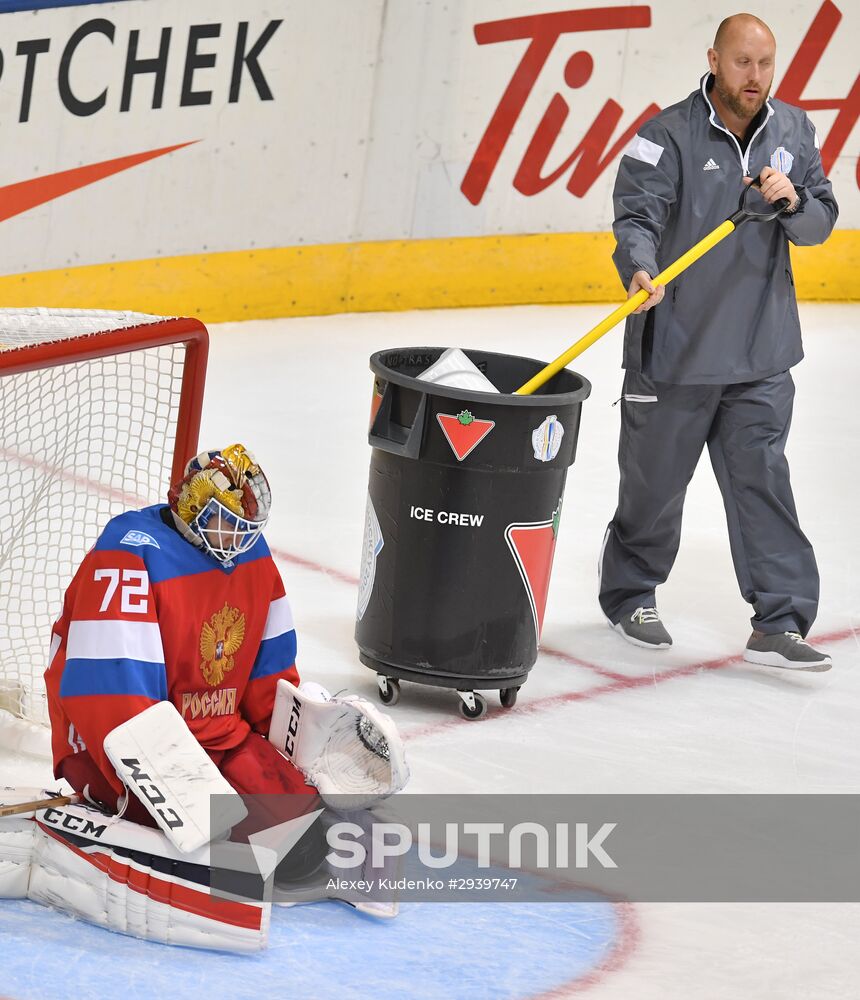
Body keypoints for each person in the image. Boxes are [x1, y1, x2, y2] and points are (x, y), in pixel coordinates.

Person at [599, 14, 838, 669]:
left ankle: (780, 619)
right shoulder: (664, 135)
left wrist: (795, 204)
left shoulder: (794, 129)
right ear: (713, 59)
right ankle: (630, 595)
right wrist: (640, 268)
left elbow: (821, 221)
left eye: (765, 63)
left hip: (760, 354)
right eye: (742, 62)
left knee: (763, 486)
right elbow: (636, 219)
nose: (754, 77)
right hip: (674, 354)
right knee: (652, 490)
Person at [45, 444, 320, 825]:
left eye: (248, 525)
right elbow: (110, 693)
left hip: (219, 738)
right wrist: (161, 782)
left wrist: (306, 736)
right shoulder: (129, 553)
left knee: (302, 814)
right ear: (196, 511)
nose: (241, 538)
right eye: (230, 523)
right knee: (219, 830)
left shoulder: (252, 556)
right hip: (110, 745)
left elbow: (270, 677)